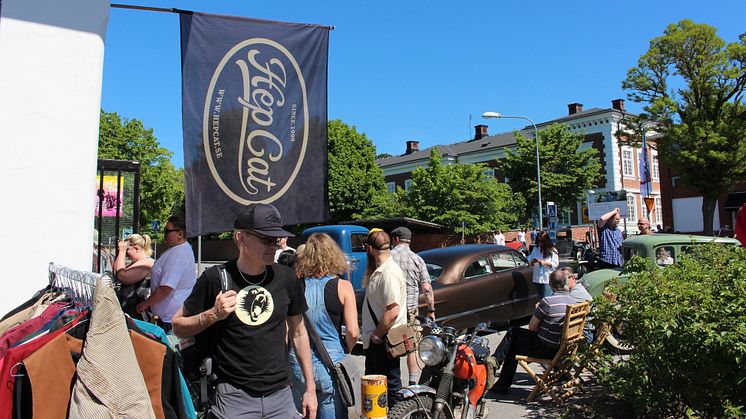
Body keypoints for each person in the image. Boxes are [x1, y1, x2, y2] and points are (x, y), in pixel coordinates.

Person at [172, 204, 318, 419]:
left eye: (276, 239)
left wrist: (310, 389)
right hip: (233, 397)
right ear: (241, 237)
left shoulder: (287, 278)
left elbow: (298, 333)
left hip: (281, 396)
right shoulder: (215, 278)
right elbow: (177, 325)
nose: (274, 246)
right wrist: (213, 314)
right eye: (266, 239)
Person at [289, 232, 359, 419]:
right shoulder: (343, 287)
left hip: (299, 365)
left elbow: (288, 331)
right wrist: (345, 349)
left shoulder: (295, 286)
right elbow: (353, 331)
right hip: (332, 361)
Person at [490, 268, 576, 394]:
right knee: (514, 332)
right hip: (562, 350)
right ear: (565, 283)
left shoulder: (548, 302)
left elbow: (532, 328)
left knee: (514, 342)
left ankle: (499, 377)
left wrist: (539, 311)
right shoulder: (573, 301)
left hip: (547, 349)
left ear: (550, 284)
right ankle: (496, 364)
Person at [362, 229, 407, 403]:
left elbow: (393, 310)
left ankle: (397, 414)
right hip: (379, 340)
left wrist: (376, 335)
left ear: (370, 249)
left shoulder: (389, 273)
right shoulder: (382, 270)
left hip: (383, 341)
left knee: (390, 387)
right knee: (376, 387)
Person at [390, 226, 435, 386]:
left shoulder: (387, 257)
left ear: (395, 239)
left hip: (390, 311)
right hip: (410, 311)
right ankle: (412, 384)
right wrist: (431, 310)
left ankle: (391, 383)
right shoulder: (417, 259)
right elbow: (427, 289)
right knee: (412, 348)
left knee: (390, 347)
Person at [137, 216, 196, 331]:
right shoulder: (178, 249)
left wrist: (146, 303)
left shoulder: (178, 254)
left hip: (171, 321)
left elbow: (166, 288)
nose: (164, 234)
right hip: (169, 318)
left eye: (168, 231)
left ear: (180, 234)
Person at [113, 233, 154, 319]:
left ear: (136, 249)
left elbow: (122, 276)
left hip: (138, 314)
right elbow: (116, 273)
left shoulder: (146, 263)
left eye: (127, 250)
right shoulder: (136, 262)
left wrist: (122, 252)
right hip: (128, 311)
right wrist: (121, 252)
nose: (126, 255)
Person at [527, 231, 559, 298]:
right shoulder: (535, 249)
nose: (540, 243)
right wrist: (532, 262)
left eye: (542, 241)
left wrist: (545, 263)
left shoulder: (552, 250)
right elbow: (530, 262)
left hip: (547, 279)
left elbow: (555, 264)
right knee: (540, 299)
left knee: (546, 299)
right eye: (539, 241)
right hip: (537, 278)